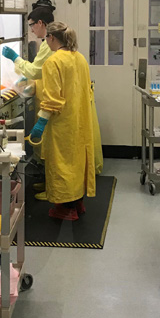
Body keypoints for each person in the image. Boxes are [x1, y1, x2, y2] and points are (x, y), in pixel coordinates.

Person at [27, 22, 96, 221]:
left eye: (45, 38)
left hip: (62, 123)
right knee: (76, 163)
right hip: (80, 120)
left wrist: (40, 124)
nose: (45, 42)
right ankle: (78, 202)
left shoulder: (54, 62)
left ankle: (66, 208)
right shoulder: (80, 58)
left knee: (62, 164)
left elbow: (52, 99)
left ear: (52, 38)